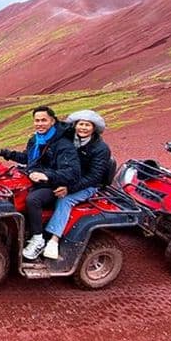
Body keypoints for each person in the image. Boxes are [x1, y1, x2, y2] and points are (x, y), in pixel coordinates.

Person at [0, 106, 80, 260]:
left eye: (43, 120)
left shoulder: (63, 145)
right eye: (37, 120)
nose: (39, 124)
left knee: (33, 199)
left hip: (54, 184)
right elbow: (28, 158)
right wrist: (3, 152)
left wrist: (45, 175)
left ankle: (38, 239)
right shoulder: (36, 140)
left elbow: (71, 172)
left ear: (52, 121)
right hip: (34, 178)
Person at [42, 110, 111, 260]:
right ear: (75, 125)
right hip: (66, 177)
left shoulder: (101, 149)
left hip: (88, 184)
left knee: (65, 200)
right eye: (81, 124)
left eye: (87, 125)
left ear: (94, 128)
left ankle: (54, 240)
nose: (83, 128)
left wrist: (69, 189)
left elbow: (94, 176)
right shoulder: (69, 139)